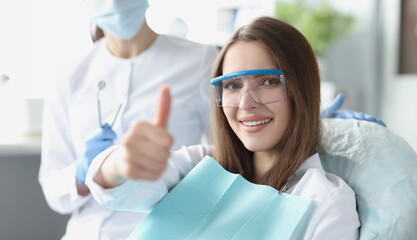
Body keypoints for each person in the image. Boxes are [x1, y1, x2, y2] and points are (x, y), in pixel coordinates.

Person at [86, 16, 361, 239]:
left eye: (268, 82)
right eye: (232, 85)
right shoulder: (198, 165)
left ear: (303, 89)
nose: (246, 103)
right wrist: (120, 164)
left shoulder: (326, 203)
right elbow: (119, 192)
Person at [38, 0, 218, 239]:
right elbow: (53, 191)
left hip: (169, 230)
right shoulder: (69, 77)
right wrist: (82, 173)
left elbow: (228, 155)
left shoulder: (201, 60)